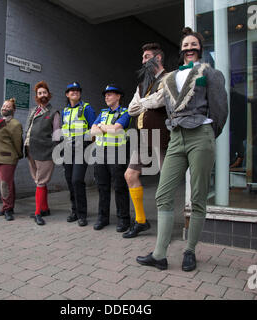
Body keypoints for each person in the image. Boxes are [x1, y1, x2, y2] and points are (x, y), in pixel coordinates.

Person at [136, 27, 228, 271]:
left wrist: (208, 133)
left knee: (198, 197)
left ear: (200, 48)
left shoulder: (211, 73)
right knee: (163, 194)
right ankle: (159, 254)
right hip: (176, 137)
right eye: (185, 45)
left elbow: (220, 109)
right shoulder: (171, 77)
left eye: (193, 44)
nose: (189, 48)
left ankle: (190, 251)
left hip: (201, 135)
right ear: (181, 50)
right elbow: (166, 107)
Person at [123, 42, 170, 238]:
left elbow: (161, 100)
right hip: (143, 136)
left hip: (163, 136)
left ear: (157, 58)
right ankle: (141, 221)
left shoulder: (170, 78)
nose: (143, 61)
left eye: (147, 57)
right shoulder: (142, 84)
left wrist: (143, 103)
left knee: (166, 183)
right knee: (130, 175)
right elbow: (130, 109)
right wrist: (146, 103)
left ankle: (166, 228)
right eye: (142, 57)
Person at [91, 84, 132, 232]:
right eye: (105, 95)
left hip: (117, 153)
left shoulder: (125, 112)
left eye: (110, 94)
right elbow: (92, 131)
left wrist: (102, 127)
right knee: (102, 187)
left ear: (118, 96)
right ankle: (103, 218)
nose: (106, 97)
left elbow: (116, 129)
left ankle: (124, 219)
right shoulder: (102, 113)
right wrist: (105, 127)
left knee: (119, 187)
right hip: (101, 153)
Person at [25, 81, 61, 226]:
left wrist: (52, 150)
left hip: (45, 151)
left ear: (49, 94)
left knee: (41, 181)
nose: (42, 95)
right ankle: (44, 208)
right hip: (30, 149)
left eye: (44, 93)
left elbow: (57, 135)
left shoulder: (54, 112)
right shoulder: (33, 111)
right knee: (39, 181)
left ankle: (38, 213)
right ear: (37, 96)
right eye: (40, 93)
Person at [61, 82, 96, 227]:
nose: (75, 92)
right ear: (67, 94)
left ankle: (82, 214)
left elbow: (94, 129)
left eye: (77, 90)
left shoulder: (87, 108)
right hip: (67, 150)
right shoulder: (65, 110)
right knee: (70, 181)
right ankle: (74, 211)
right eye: (71, 90)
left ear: (80, 94)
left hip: (82, 149)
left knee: (77, 180)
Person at [0, 98, 23, 221]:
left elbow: (18, 143)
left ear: (13, 110)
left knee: (4, 184)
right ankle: (9, 206)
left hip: (8, 158)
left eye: (8, 106)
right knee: (7, 183)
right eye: (4, 105)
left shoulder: (15, 124)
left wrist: (18, 155)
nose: (5, 108)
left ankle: (7, 208)